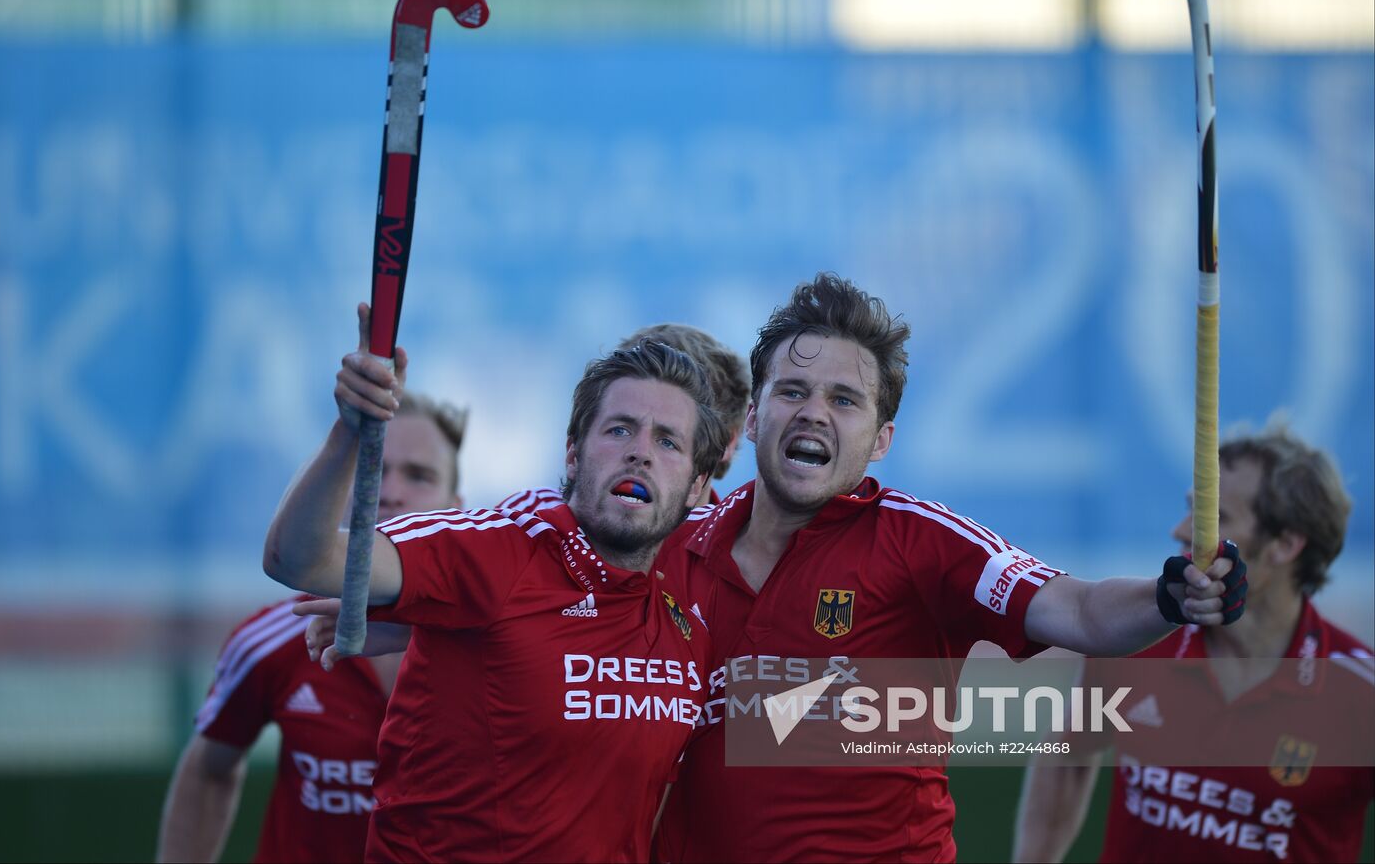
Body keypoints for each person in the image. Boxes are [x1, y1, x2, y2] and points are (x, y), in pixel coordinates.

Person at [651, 272, 1248, 863]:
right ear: (753, 416)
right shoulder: (672, 548)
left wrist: (1171, 597)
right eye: (792, 391)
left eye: (843, 399)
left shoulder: (920, 540)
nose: (813, 412)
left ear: (881, 439)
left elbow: (1081, 611)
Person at [262, 304, 724, 862]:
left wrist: (858, 735)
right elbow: (297, 559)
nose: (640, 451)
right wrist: (348, 432)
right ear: (572, 455)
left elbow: (809, 723)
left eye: (668, 441)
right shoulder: (496, 549)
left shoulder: (697, 587)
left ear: (700, 486)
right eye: (620, 429)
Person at [1012, 423, 1373, 863]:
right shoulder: (1135, 638)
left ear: (1285, 544)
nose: (1182, 530)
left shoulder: (1359, 693)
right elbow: (1068, 758)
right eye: (1190, 509)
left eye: (1213, 517)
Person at [156, 389, 468, 863]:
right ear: (342, 498)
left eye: (420, 475)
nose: (390, 491)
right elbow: (210, 769)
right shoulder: (276, 639)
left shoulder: (496, 643)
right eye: (376, 468)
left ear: (458, 507)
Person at [499, 322, 750, 514]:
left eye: (669, 436)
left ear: (726, 443)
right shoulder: (527, 520)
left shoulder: (743, 552)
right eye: (622, 428)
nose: (641, 451)